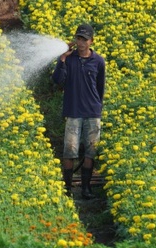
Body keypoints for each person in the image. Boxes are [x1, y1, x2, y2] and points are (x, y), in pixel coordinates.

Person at [52, 23, 106, 199]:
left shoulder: (98, 61)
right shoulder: (69, 59)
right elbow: (58, 80)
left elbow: (100, 87)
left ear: (91, 41)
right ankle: (68, 189)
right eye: (78, 38)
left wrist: (97, 106)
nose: (80, 42)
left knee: (91, 150)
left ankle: (85, 189)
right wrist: (62, 60)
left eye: (84, 39)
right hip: (73, 111)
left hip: (92, 112)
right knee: (70, 149)